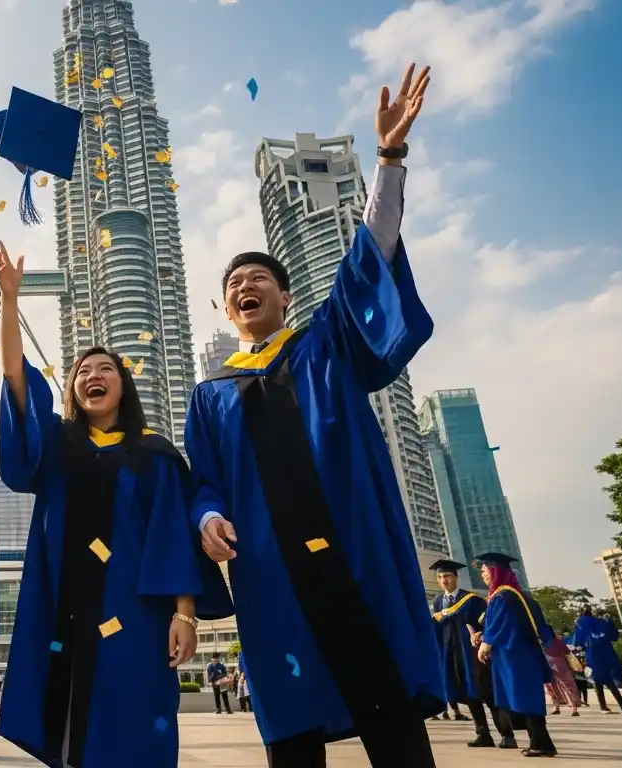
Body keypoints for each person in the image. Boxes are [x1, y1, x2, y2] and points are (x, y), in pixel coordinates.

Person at [187, 64, 442, 767]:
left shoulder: (324, 344)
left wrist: (389, 161)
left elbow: (369, 259)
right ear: (227, 306)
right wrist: (207, 521)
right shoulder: (211, 395)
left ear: (284, 296)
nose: (245, 286)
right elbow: (203, 482)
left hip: (353, 546)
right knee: (294, 728)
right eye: (234, 283)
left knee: (387, 705)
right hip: (269, 569)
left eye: (258, 278)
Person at [0, 240, 233, 768]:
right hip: (64, 605)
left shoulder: (155, 455)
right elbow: (16, 383)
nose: (93, 376)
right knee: (69, 728)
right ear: (74, 391)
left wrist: (185, 615)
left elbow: (171, 533)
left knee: (137, 722)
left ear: (124, 386)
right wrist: (10, 300)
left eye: (106, 369)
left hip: (137, 610)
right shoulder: (58, 445)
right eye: (82, 372)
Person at [472, 553, 557, 757]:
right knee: (526, 698)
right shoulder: (517, 596)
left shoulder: (503, 596)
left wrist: (486, 642)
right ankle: (540, 742)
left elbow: (502, 624)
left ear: (494, 571)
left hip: (516, 657)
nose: (482, 575)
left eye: (484, 571)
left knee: (525, 698)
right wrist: (484, 635)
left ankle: (542, 744)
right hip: (520, 655)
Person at [429, 559, 514, 748]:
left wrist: (482, 637)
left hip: (474, 654)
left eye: (448, 576)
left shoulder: (472, 600)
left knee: (488, 694)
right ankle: (483, 734)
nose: (444, 580)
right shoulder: (437, 602)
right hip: (452, 654)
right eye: (440, 577)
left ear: (456, 577)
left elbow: (488, 623)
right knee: (469, 695)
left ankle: (507, 735)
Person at [570, 605, 622, 714]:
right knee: (610, 682)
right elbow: (613, 635)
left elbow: (577, 641)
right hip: (606, 653)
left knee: (597, 681)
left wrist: (577, 647)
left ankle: (604, 707)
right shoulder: (601, 622)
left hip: (593, 654)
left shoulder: (580, 622)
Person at [541, 626, 581, 717]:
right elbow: (567, 652)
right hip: (561, 665)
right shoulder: (557, 641)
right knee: (568, 686)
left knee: (551, 686)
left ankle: (556, 706)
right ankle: (574, 708)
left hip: (547, 665)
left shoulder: (541, 643)